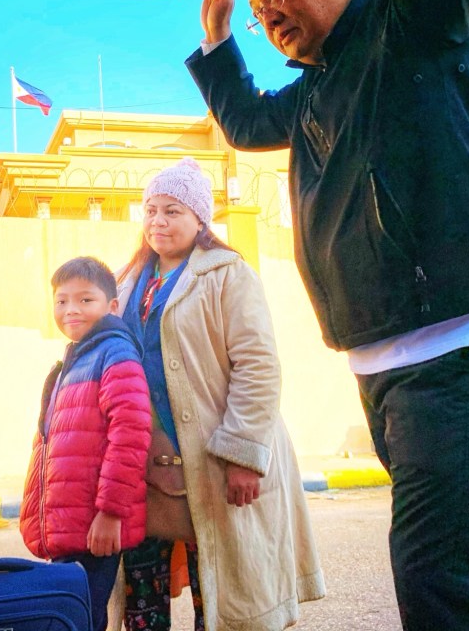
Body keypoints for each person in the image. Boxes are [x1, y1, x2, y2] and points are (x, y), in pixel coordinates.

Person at [184, 0, 469, 629]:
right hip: (388, 366)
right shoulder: (317, 88)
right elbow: (247, 123)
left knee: (445, 585)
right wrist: (218, 36)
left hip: (461, 346)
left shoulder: (413, 18)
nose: (268, 14)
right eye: (258, 11)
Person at [116, 158, 324, 631]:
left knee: (220, 599)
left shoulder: (229, 275)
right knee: (141, 605)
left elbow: (258, 366)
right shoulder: (127, 281)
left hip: (213, 464)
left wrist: (242, 454)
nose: (158, 221)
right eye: (150, 210)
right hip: (144, 471)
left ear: (200, 219)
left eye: (172, 211)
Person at [19, 256, 152, 631]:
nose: (71, 310)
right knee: (74, 619)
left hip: (94, 529)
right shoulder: (75, 359)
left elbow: (130, 434)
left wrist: (110, 513)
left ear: (112, 306)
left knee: (79, 621)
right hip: (71, 527)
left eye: (85, 300)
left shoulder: (114, 354)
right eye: (61, 301)